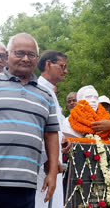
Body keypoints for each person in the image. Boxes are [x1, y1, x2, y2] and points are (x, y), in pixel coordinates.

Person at [0, 33, 60, 208]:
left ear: (37, 59)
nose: (25, 58)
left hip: (24, 186)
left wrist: (52, 173)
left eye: (31, 55)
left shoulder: (46, 95)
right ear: (8, 56)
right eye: (19, 53)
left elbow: (51, 135)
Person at [36, 50, 70, 208]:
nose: (66, 71)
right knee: (41, 200)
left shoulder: (50, 91)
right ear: (48, 64)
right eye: (62, 66)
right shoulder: (38, 90)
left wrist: (63, 138)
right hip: (43, 161)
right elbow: (38, 128)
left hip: (54, 156)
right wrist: (48, 158)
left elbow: (54, 126)